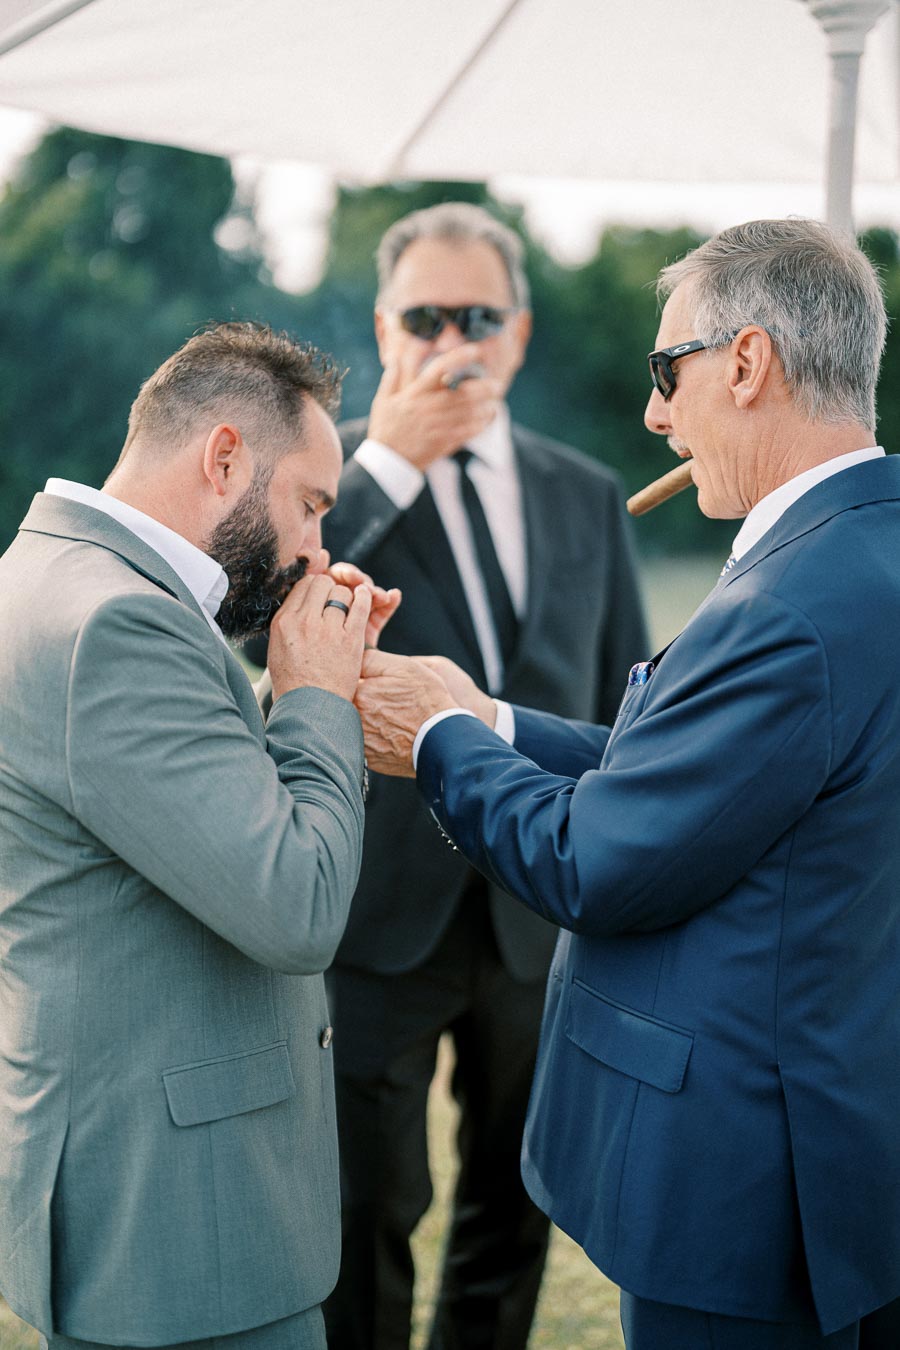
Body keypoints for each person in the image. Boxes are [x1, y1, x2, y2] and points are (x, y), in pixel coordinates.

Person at [353, 219, 900, 1349]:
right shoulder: (862, 548)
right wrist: (498, 716)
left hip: (745, 1179)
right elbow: (687, 764)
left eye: (669, 371)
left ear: (745, 364)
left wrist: (446, 736)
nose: (656, 412)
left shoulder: (791, 607)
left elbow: (600, 856)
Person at [0, 322, 400, 1350]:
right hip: (183, 1233)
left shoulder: (54, 576)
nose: (317, 547)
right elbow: (295, 905)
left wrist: (298, 682)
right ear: (225, 457)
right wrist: (317, 702)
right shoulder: (119, 624)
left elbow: (166, 818)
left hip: (143, 1201)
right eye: (311, 502)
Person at [317, 201, 648, 1350]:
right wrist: (389, 464)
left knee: (515, 1212)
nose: (452, 339)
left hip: (538, 917)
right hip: (373, 912)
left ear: (518, 332)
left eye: (479, 316)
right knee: (363, 1218)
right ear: (382, 325)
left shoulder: (587, 492)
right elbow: (272, 636)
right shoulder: (327, 485)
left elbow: (621, 710)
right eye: (424, 315)